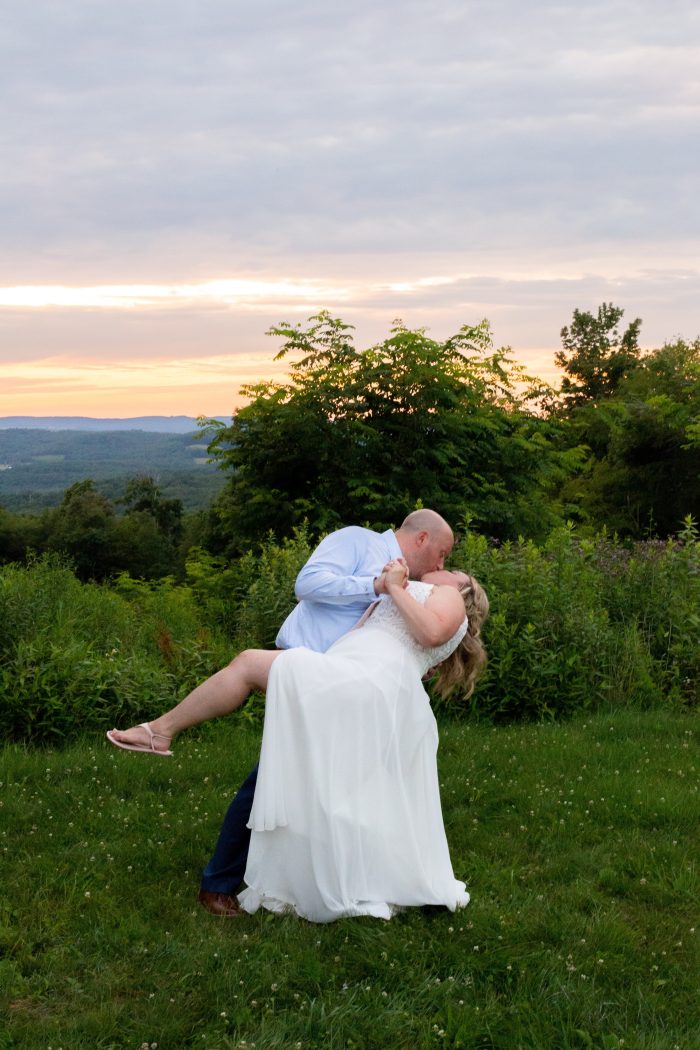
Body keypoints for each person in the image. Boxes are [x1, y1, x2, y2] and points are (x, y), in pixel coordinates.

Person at [108, 509, 456, 916]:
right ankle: (218, 881)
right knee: (273, 774)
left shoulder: (411, 585)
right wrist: (376, 585)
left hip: (348, 685)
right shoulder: (357, 541)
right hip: (309, 665)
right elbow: (307, 584)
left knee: (324, 788)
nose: (441, 564)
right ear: (420, 539)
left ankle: (364, 879)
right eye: (442, 553)